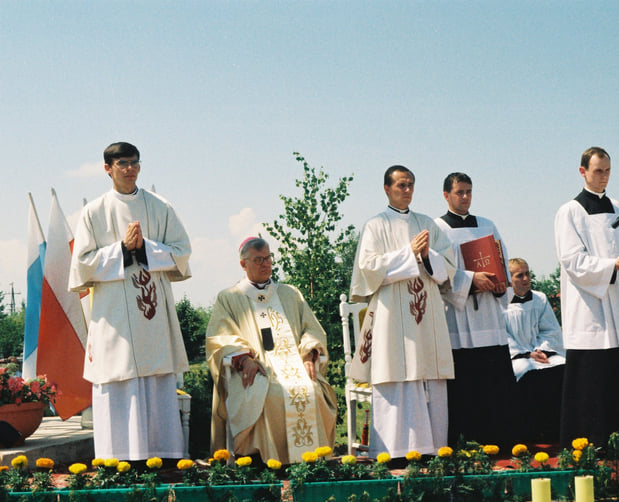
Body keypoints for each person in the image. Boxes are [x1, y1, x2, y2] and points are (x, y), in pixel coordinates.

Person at [69, 142, 190, 462]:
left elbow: (182, 251)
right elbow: (82, 263)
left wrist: (145, 248)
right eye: (122, 163)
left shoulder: (160, 206)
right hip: (114, 316)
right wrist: (122, 250)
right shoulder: (93, 212)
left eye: (135, 162)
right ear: (107, 168)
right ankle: (118, 457)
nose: (130, 168)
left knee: (156, 379)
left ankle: (163, 453)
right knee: (118, 376)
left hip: (151, 314)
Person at [349, 166, 456, 458]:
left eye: (410, 185)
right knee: (395, 369)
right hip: (391, 313)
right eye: (400, 185)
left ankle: (433, 448)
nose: (406, 190)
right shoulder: (375, 225)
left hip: (425, 313)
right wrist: (408, 253)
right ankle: (393, 450)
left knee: (428, 373)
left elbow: (448, 265)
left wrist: (426, 255)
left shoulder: (427, 224)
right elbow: (368, 268)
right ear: (387, 188)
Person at [206, 237, 337, 464]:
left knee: (313, 390)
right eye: (258, 260)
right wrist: (244, 359)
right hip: (256, 368)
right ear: (243, 264)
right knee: (267, 393)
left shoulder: (290, 294)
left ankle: (311, 460)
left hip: (294, 366)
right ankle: (259, 458)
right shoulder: (229, 297)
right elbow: (220, 337)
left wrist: (308, 354)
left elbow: (312, 329)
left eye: (268, 258)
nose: (266, 264)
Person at [553, 147, 619, 451]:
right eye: (597, 171)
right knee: (591, 377)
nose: (603, 177)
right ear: (583, 172)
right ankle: (589, 440)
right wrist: (610, 267)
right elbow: (571, 260)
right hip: (589, 307)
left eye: (607, 171)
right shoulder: (570, 211)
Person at [435, 172, 517, 446]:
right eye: (459, 192)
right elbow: (438, 273)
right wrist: (470, 281)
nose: (465, 197)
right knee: (466, 388)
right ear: (446, 195)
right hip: (459, 316)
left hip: (489, 317)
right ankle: (465, 441)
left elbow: (502, 260)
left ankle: (501, 439)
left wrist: (500, 284)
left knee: (494, 382)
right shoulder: (437, 229)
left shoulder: (487, 225)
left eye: (469, 191)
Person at [504, 257, 565, 442]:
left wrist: (542, 350)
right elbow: (502, 336)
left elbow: (550, 329)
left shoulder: (540, 298)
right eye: (519, 275)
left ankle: (556, 429)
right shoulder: (499, 304)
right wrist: (526, 353)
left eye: (527, 273)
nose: (526, 279)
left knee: (562, 367)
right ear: (509, 280)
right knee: (526, 372)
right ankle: (532, 430)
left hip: (542, 352)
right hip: (517, 356)